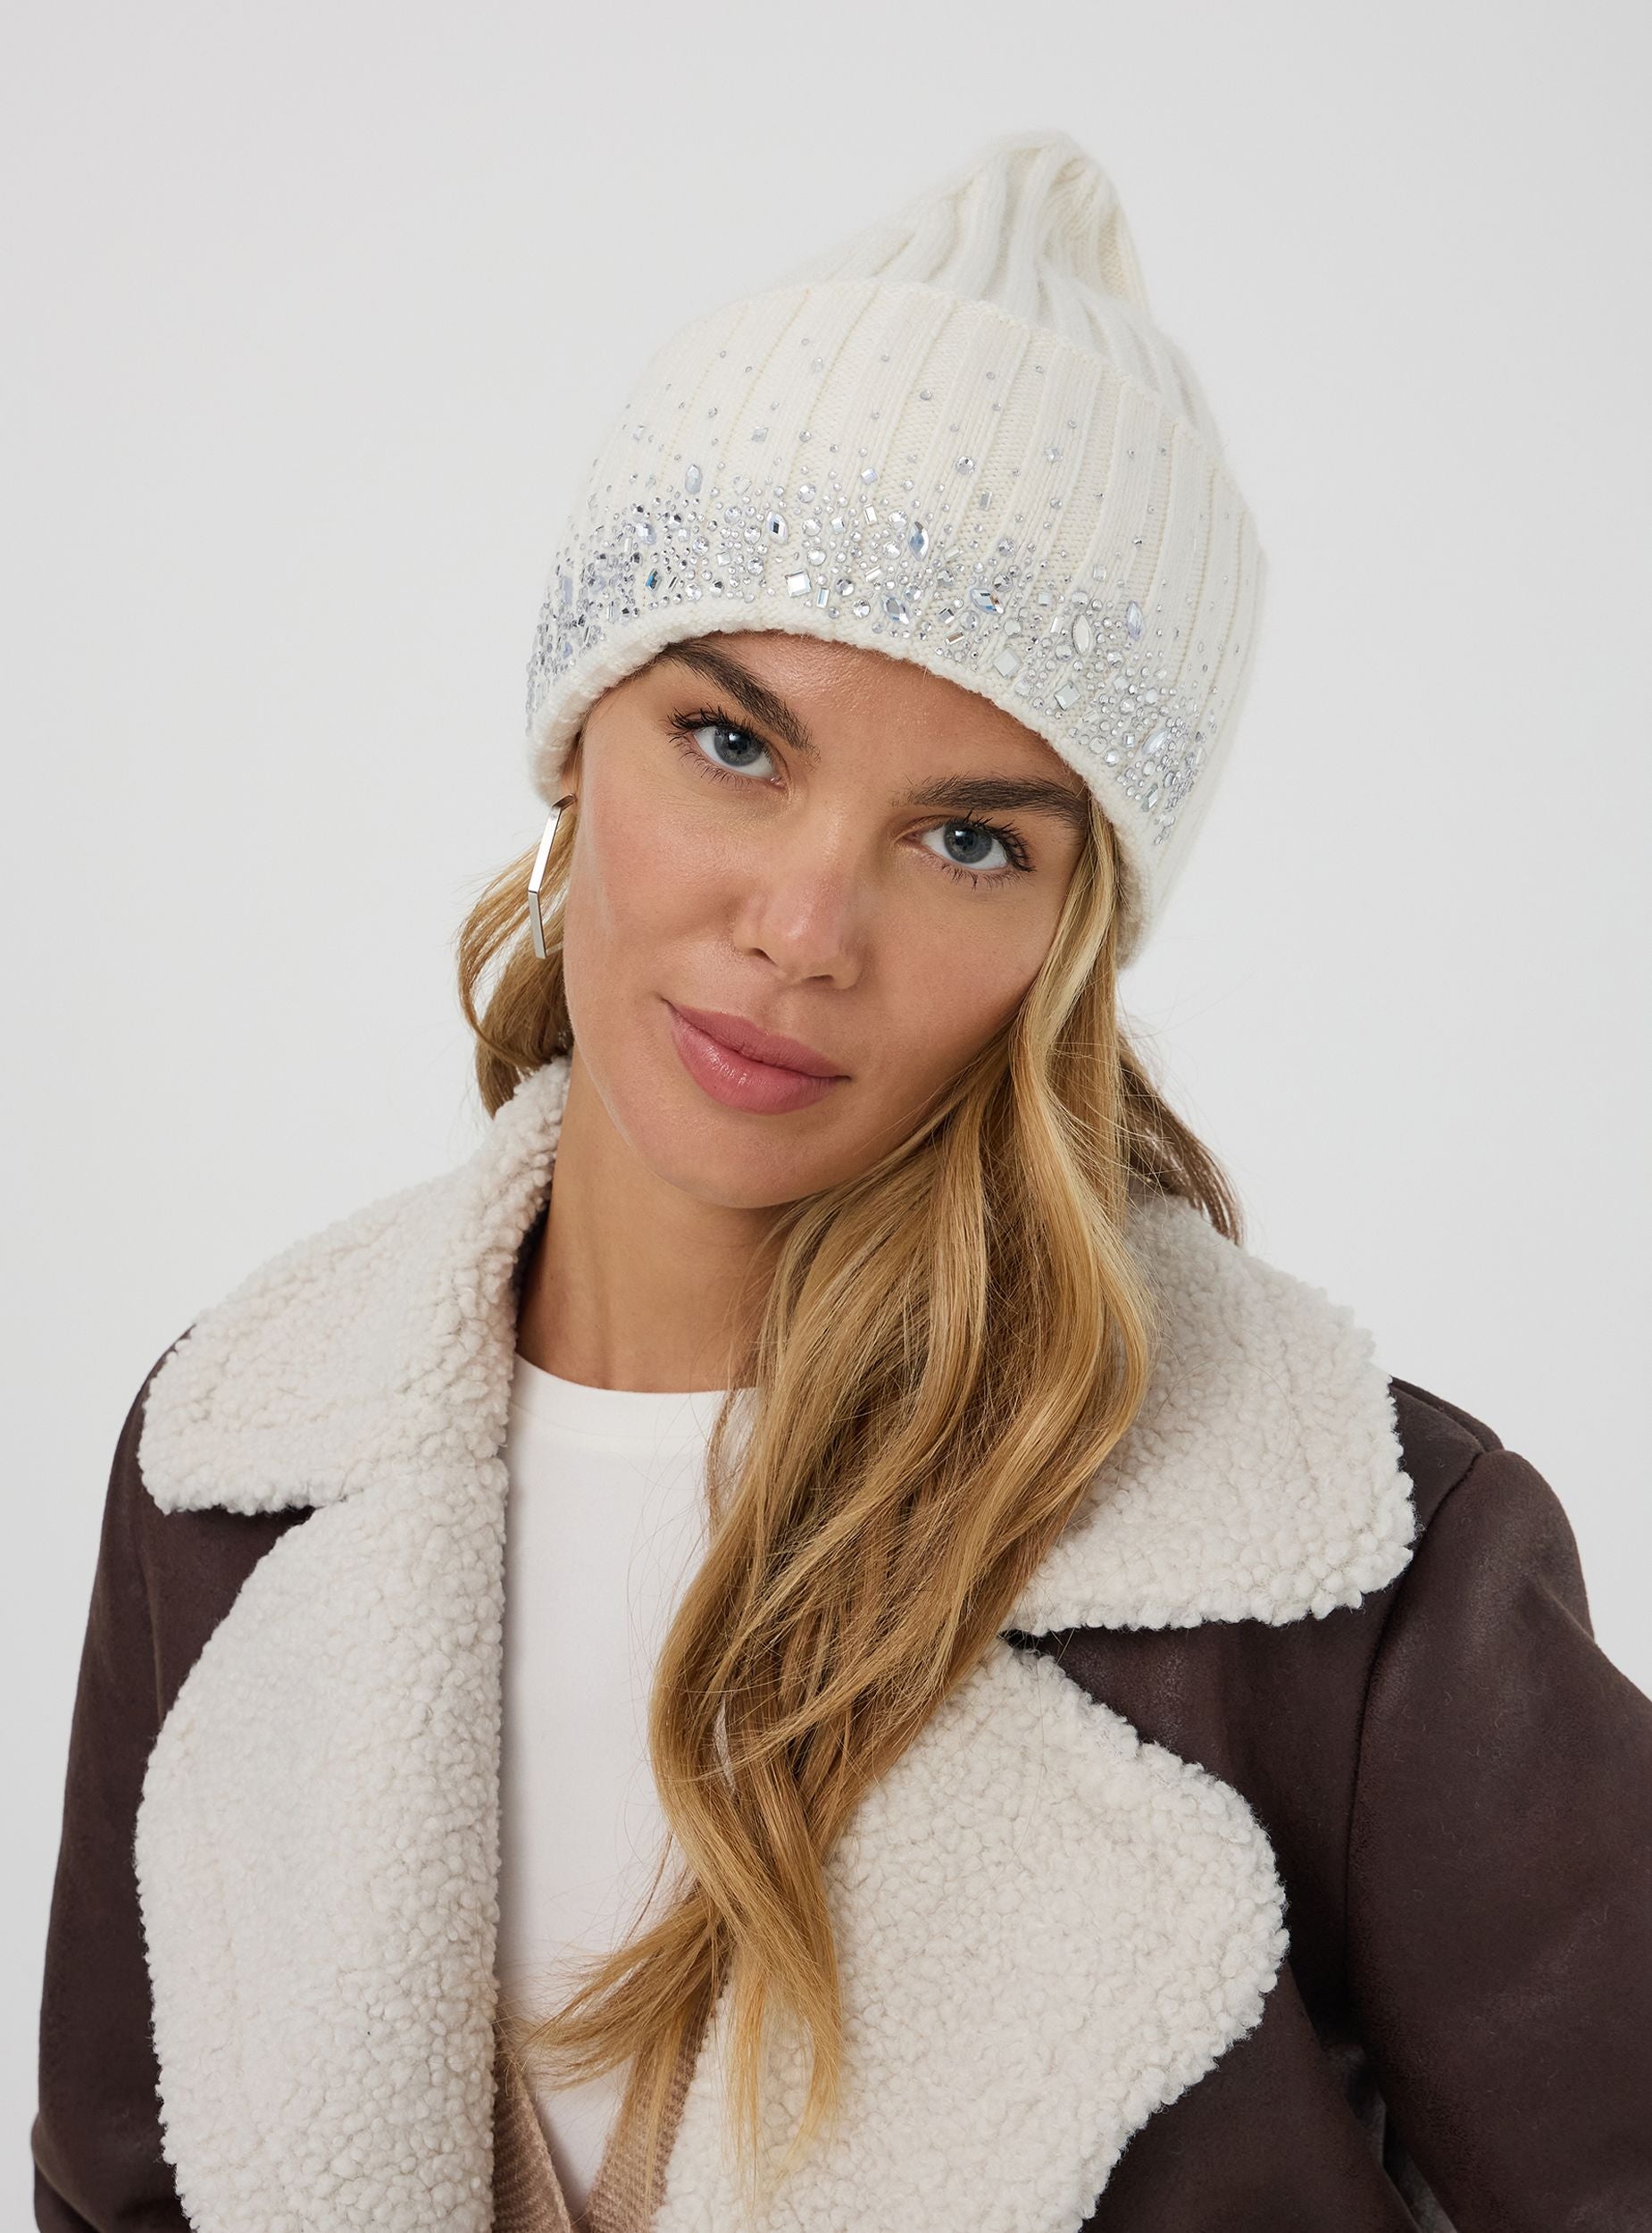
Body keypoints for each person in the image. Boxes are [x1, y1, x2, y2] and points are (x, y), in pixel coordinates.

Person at [31, 127, 1652, 2233]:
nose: (805, 927)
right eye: (735, 743)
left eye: (969, 839)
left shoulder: (1353, 1565)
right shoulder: (234, 1462)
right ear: (575, 740)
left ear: (1070, 938)